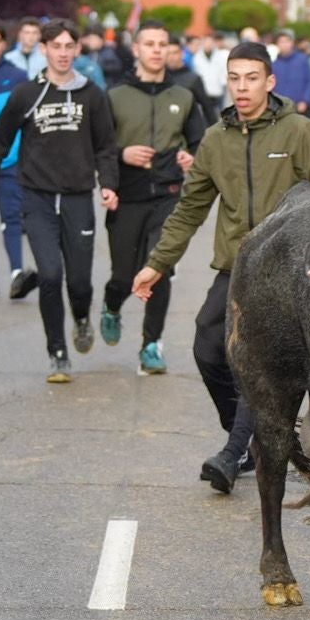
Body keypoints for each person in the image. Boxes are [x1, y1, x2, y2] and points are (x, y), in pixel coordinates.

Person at [131, 41, 310, 494]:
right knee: (208, 350)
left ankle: (233, 453)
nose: (242, 88)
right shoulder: (215, 140)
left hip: (287, 269)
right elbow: (190, 209)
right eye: (235, 78)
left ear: (270, 82)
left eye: (251, 79)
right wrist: (156, 265)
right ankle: (250, 437)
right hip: (236, 266)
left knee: (254, 362)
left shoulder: (300, 131)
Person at [0, 18, 119, 382]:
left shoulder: (92, 95)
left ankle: (83, 317)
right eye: (55, 46)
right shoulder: (27, 93)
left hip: (77, 199)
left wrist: (108, 183)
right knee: (51, 275)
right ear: (43, 50)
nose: (62, 53)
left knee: (80, 281)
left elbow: (105, 145)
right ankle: (57, 353)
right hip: (37, 198)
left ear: (76, 49)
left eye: (68, 46)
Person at [101, 20, 205, 374]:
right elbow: (98, 148)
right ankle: (112, 306)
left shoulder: (183, 96)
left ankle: (150, 346)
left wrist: (192, 159)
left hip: (168, 196)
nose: (157, 50)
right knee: (123, 276)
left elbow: (200, 144)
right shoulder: (115, 96)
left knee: (158, 269)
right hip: (126, 197)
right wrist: (122, 154)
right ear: (137, 49)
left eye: (163, 43)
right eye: (150, 44)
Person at [0, 19, 35, 301]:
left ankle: (16, 275)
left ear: (4, 44)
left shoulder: (17, 77)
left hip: (10, 161)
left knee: (12, 218)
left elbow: (28, 120)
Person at [166, 38, 219, 125]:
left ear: (182, 54)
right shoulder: (160, 78)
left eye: (175, 53)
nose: (171, 57)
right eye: (168, 53)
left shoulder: (193, 79)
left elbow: (207, 107)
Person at [271, 30, 310, 113]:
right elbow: (272, 87)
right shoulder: (274, 65)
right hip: (282, 109)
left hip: (302, 108)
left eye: (287, 41)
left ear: (292, 43)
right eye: (281, 42)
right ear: (277, 44)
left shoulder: (302, 60)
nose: (284, 44)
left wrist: (305, 101)